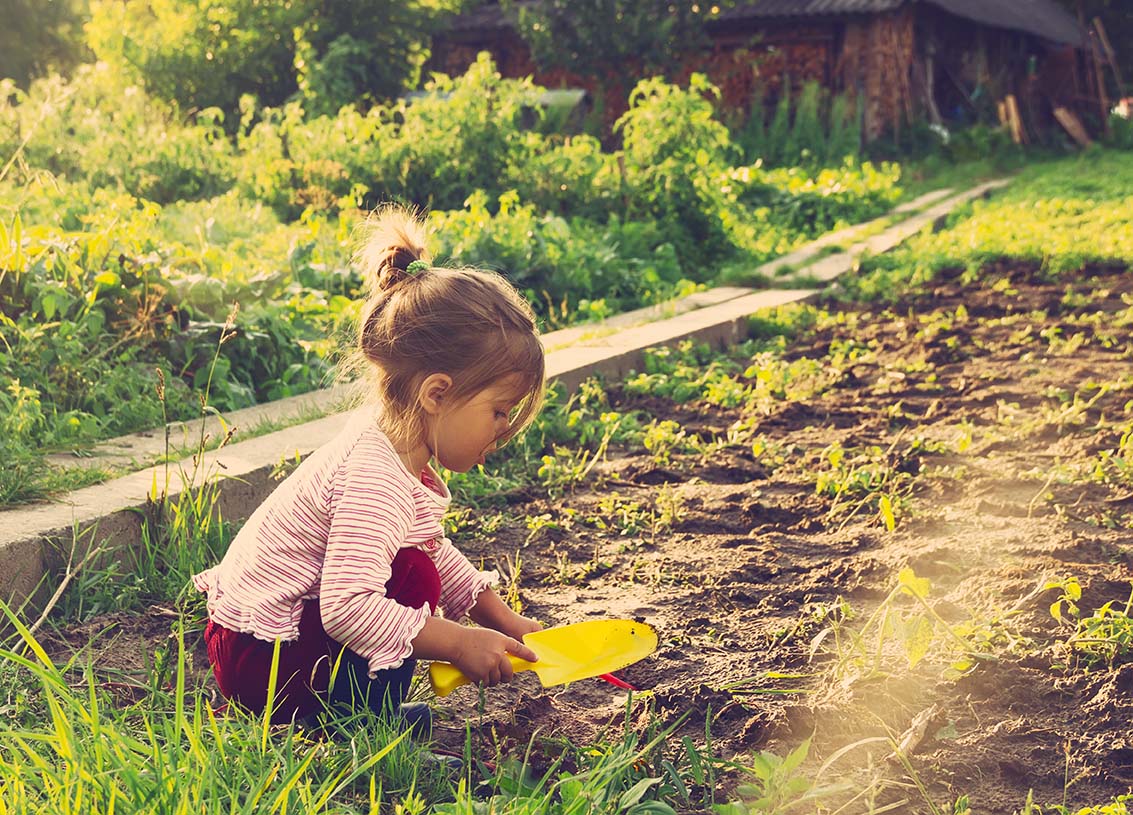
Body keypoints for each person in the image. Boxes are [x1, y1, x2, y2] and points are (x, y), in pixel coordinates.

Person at [193, 205, 545, 730]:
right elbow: (345, 606)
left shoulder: (396, 450)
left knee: (414, 564)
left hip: (265, 647)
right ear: (437, 393)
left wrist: (498, 618)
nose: (504, 429)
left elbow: (427, 544)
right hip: (264, 659)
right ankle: (353, 723)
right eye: (499, 411)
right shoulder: (375, 476)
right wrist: (456, 641)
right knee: (412, 578)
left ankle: (347, 708)